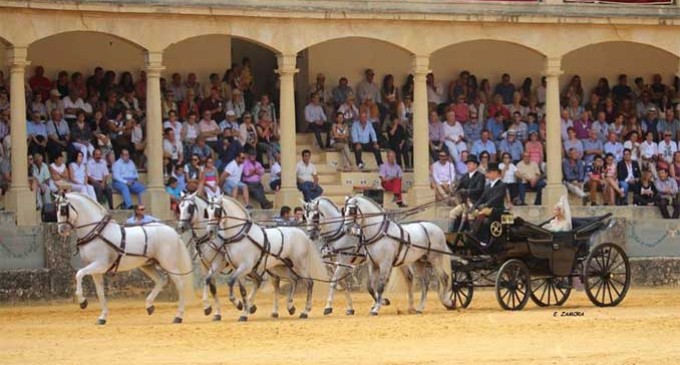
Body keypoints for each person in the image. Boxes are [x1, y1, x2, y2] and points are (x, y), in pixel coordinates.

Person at [470, 162, 506, 246]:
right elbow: (482, 198)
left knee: (483, 216)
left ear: (495, 173)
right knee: (473, 214)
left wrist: (486, 204)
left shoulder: (502, 185)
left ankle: (485, 240)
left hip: (497, 209)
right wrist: (474, 207)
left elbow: (497, 197)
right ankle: (474, 235)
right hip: (487, 208)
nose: (488, 174)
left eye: (489, 172)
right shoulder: (487, 186)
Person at [448, 155, 485, 231]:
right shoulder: (465, 176)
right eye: (467, 164)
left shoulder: (480, 176)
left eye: (470, 163)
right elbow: (458, 188)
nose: (468, 165)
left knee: (467, 214)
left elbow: (480, 189)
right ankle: (451, 233)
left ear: (475, 165)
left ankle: (470, 234)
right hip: (465, 203)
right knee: (452, 213)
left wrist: (467, 191)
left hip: (475, 203)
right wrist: (454, 190)